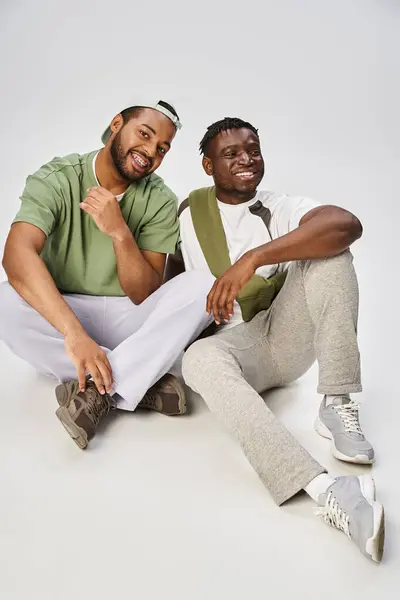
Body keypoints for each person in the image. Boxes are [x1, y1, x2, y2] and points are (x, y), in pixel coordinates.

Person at [166, 117, 385, 562]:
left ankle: (336, 401)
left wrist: (253, 258)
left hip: (281, 336)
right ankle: (327, 490)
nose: (246, 159)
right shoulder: (187, 213)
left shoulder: (278, 207)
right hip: (232, 351)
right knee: (197, 360)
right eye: (232, 154)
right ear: (208, 166)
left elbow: (347, 223)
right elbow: (167, 282)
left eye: (253, 150)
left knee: (331, 250)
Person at [0, 99, 213, 450]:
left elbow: (145, 293)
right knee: (4, 302)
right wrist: (74, 335)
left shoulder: (159, 199)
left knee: (203, 286)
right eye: (144, 134)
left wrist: (119, 233)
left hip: (126, 317)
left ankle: (96, 391)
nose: (149, 151)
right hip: (62, 311)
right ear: (116, 125)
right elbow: (16, 256)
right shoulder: (58, 178)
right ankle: (138, 381)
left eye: (162, 148)